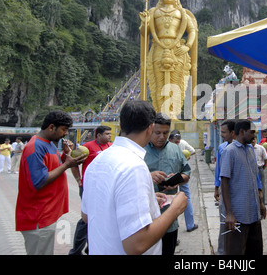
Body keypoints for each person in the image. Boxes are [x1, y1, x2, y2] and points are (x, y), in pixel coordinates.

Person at [81, 101, 187, 255]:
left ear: (121, 125)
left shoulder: (97, 161)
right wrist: (175, 209)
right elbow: (136, 244)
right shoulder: (134, 166)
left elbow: (86, 215)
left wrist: (148, 199)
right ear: (150, 128)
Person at [15, 110, 87, 255]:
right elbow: (40, 181)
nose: (65, 134)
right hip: (37, 217)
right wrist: (67, 164)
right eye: (64, 129)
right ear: (51, 127)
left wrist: (65, 155)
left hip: (45, 214)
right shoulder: (35, 147)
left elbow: (52, 167)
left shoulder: (48, 144)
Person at [140, 0, 198, 119]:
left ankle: (173, 112)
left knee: (176, 83)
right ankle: (159, 113)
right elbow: (144, 33)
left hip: (177, 50)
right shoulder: (153, 12)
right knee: (158, 84)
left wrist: (188, 46)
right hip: (158, 49)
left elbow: (192, 31)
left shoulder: (182, 13)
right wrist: (145, 22)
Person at [145, 113, 191, 255]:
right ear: (150, 129)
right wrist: (148, 176)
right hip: (147, 217)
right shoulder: (140, 150)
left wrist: (177, 179)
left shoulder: (175, 149)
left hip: (169, 216)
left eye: (165, 133)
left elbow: (186, 173)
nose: (162, 137)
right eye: (157, 133)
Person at [220, 119, 266, 255]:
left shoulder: (251, 150)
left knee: (255, 251)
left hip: (253, 213)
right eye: (252, 132)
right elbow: (224, 181)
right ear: (241, 132)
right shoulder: (230, 151)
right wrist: (229, 213)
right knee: (236, 251)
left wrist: (261, 203)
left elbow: (254, 179)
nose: (254, 136)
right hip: (237, 217)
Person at [69, 125, 113, 255]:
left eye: (110, 134)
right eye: (106, 134)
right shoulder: (86, 147)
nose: (109, 136)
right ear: (98, 135)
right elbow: (73, 163)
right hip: (89, 188)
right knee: (86, 219)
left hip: (105, 188)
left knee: (100, 219)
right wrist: (78, 180)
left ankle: (91, 249)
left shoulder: (112, 147)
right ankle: (75, 251)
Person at [168, 130, 198, 233]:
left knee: (176, 198)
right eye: (175, 142)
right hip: (180, 173)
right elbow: (193, 151)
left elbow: (193, 151)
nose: (177, 144)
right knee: (182, 197)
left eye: (178, 142)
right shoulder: (183, 144)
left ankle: (175, 227)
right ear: (170, 139)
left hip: (177, 174)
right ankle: (189, 225)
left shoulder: (168, 147)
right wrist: (186, 157)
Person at [214, 119, 236, 255]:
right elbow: (218, 169)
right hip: (224, 188)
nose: (221, 134)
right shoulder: (222, 148)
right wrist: (217, 187)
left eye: (224, 132)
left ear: (233, 133)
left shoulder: (245, 148)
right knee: (224, 219)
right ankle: (222, 252)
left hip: (238, 189)